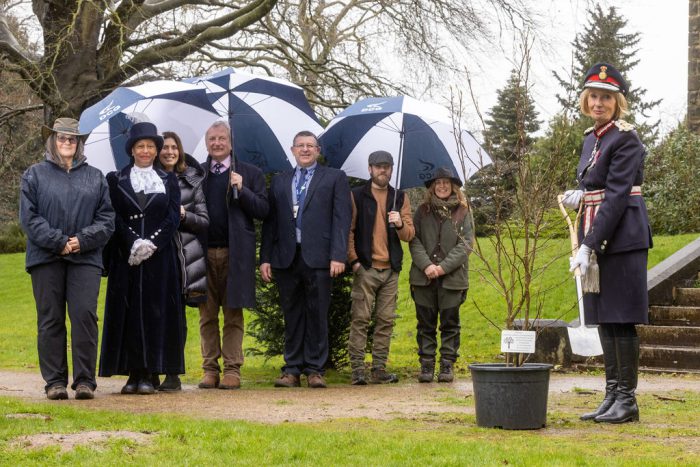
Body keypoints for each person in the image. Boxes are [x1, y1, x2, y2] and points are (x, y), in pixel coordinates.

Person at [564, 63, 652, 424]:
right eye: (594, 96)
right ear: (587, 100)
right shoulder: (592, 138)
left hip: (623, 238)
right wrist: (580, 195)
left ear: (618, 102)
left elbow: (616, 197)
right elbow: (595, 188)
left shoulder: (625, 138)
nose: (599, 103)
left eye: (606, 97)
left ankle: (626, 400)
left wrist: (588, 245)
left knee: (622, 317)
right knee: (604, 319)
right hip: (599, 235)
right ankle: (611, 394)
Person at [19, 117, 115, 400]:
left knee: (84, 315)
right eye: (61, 138)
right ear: (52, 141)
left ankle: (85, 380)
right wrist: (58, 242)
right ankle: (55, 382)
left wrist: (81, 241)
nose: (66, 143)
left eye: (71, 139)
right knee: (50, 319)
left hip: (85, 258)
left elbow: (107, 219)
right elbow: (29, 217)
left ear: (78, 143)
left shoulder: (95, 177)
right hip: (46, 257)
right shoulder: (34, 175)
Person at [260, 131, 352, 388]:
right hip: (286, 258)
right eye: (300, 145)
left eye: (310, 145)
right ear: (292, 150)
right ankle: (291, 370)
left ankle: (315, 370)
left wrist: (338, 255)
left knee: (317, 314)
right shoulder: (279, 181)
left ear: (318, 150)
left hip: (321, 258)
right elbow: (270, 223)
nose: (305, 149)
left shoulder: (334, 178)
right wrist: (265, 257)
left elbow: (342, 219)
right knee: (291, 315)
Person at [99, 121, 184, 395]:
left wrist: (153, 242)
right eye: (140, 146)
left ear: (156, 150)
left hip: (160, 258)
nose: (145, 151)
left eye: (150, 146)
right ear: (132, 150)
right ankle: (132, 373)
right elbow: (114, 215)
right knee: (129, 313)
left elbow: (173, 216)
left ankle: (149, 372)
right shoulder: (116, 179)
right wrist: (133, 241)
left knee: (155, 313)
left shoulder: (169, 180)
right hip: (128, 256)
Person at [198, 121, 269, 390]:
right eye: (212, 138)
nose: (217, 143)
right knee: (207, 314)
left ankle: (232, 369)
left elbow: (263, 210)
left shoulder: (250, 173)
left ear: (230, 142)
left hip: (236, 254)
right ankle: (209, 369)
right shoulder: (198, 174)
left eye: (222, 138)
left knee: (232, 313)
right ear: (207, 143)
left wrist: (243, 189)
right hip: (203, 254)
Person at [346, 150, 414, 385]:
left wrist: (399, 223)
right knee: (360, 319)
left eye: (386, 166)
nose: (382, 170)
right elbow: (349, 231)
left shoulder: (400, 198)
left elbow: (409, 235)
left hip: (391, 270)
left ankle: (378, 369)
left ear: (392, 169)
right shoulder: (357, 195)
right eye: (378, 166)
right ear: (370, 169)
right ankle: (357, 370)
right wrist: (354, 261)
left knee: (386, 320)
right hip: (366, 267)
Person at [154, 131, 209, 391]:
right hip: (153, 255)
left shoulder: (192, 180)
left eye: (174, 147)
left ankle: (173, 373)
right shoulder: (148, 178)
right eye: (164, 147)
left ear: (180, 150)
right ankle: (151, 368)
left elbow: (204, 221)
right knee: (152, 312)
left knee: (175, 317)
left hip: (182, 256)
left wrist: (184, 214)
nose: (169, 152)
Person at [409, 167, 474, 383]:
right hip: (423, 278)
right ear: (432, 187)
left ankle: (447, 363)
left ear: (453, 185)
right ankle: (426, 363)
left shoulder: (463, 212)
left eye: (446, 182)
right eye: (438, 183)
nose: (442, 186)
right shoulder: (422, 211)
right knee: (425, 323)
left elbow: (465, 244)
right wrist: (427, 265)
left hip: (452, 280)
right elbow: (414, 240)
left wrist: (442, 268)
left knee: (450, 323)